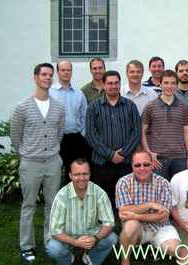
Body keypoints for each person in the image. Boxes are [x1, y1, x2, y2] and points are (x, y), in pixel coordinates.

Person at [10, 63, 65, 263]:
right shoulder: (22, 107)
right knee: (28, 205)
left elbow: (59, 133)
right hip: (30, 163)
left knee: (53, 205)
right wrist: (26, 153)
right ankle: (27, 245)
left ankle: (50, 241)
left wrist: (50, 151)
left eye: (50, 75)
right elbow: (15, 136)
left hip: (52, 162)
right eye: (44, 74)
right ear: (35, 77)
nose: (47, 78)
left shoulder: (58, 107)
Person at [116, 151, 187, 265]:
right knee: (131, 225)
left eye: (146, 164)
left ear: (152, 164)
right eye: (137, 165)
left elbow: (164, 215)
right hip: (136, 228)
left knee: (174, 250)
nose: (142, 168)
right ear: (132, 166)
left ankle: (185, 249)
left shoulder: (163, 183)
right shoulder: (123, 182)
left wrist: (136, 215)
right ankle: (125, 260)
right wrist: (150, 205)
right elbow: (124, 211)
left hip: (160, 226)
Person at [85, 70, 141, 208]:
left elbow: (137, 132)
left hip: (125, 161)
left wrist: (122, 153)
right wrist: (110, 154)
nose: (113, 86)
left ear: (120, 84)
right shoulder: (93, 107)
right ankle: (106, 224)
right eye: (109, 83)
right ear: (104, 85)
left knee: (126, 196)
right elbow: (91, 135)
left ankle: (124, 222)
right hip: (102, 161)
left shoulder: (130, 106)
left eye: (116, 83)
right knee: (103, 197)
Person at [46, 159, 118, 265]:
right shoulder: (61, 196)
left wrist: (96, 238)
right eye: (77, 174)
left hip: (91, 235)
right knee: (53, 248)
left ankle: (90, 260)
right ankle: (68, 261)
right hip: (68, 237)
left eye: (85, 174)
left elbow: (109, 222)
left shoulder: (99, 193)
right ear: (70, 175)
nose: (81, 178)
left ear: (90, 174)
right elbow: (55, 230)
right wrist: (75, 242)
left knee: (112, 239)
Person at [142, 70, 188, 180]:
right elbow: (142, 131)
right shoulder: (150, 107)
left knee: (179, 193)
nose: (169, 86)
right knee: (158, 193)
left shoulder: (183, 107)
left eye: (173, 83)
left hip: (180, 158)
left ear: (177, 85)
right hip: (158, 159)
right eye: (166, 83)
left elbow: (187, 132)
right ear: (160, 84)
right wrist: (148, 152)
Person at [49, 60, 89, 182]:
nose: (66, 72)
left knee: (75, 173)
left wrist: (82, 134)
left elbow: (84, 116)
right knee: (55, 173)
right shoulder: (50, 93)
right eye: (63, 70)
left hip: (76, 139)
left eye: (68, 70)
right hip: (57, 139)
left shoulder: (79, 94)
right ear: (57, 72)